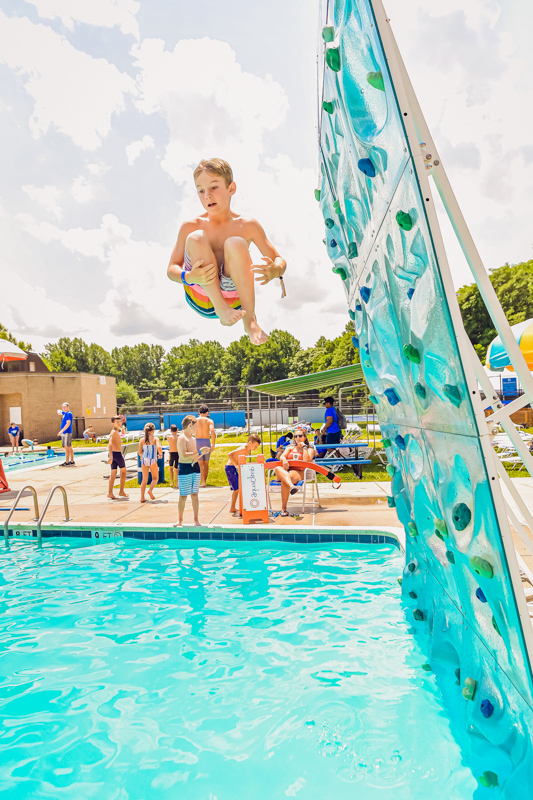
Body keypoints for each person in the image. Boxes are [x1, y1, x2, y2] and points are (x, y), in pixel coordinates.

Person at [167, 157, 287, 345]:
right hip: (201, 295)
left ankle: (250, 321)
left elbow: (279, 260)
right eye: (201, 190)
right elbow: (171, 269)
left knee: (236, 243)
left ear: (231, 189)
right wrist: (189, 277)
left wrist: (274, 270)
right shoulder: (190, 226)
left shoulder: (248, 225)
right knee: (197, 238)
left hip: (235, 300)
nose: (207, 195)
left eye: (214, 187)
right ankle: (221, 308)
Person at [174, 416, 210, 526]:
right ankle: (180, 520)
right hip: (185, 468)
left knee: (195, 494)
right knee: (183, 495)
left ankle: (196, 519)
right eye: (196, 426)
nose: (197, 429)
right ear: (190, 425)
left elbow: (195, 457)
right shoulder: (182, 438)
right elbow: (183, 456)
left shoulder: (193, 439)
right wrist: (199, 451)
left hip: (195, 467)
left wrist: (202, 453)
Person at [274, 429, 317, 516]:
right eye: (296, 436)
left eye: (300, 436)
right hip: (286, 470)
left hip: (299, 471)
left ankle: (284, 509)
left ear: (304, 437)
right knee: (278, 468)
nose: (298, 438)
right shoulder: (290, 447)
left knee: (285, 481)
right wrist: (285, 460)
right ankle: (292, 486)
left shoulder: (310, 449)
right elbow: (282, 456)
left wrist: (304, 447)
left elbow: (306, 460)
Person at [225, 434, 262, 515]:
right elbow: (229, 454)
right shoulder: (243, 448)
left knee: (239, 488)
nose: (255, 448)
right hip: (230, 468)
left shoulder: (248, 450)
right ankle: (232, 507)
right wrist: (235, 465)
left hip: (234, 468)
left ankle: (234, 507)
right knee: (236, 489)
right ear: (249, 443)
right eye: (255, 446)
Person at [138, 422, 162, 503]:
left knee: (144, 480)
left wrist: (141, 457)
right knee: (155, 478)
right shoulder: (155, 439)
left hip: (144, 460)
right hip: (152, 459)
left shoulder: (141, 440)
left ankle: (142, 497)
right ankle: (150, 490)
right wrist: (160, 454)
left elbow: (139, 452)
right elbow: (159, 447)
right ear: (152, 431)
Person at [107, 416, 129, 500]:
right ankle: (121, 491)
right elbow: (110, 444)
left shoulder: (116, 432)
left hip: (114, 454)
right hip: (116, 454)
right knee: (123, 472)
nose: (119, 423)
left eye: (120, 421)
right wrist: (111, 456)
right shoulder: (114, 432)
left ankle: (110, 493)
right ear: (113, 423)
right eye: (117, 422)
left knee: (113, 473)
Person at [196, 404, 216, 487]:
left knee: (200, 463)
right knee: (206, 463)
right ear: (207, 412)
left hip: (198, 441)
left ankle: (203, 481)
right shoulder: (209, 421)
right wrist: (213, 444)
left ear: (199, 412)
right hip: (206, 441)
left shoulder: (195, 420)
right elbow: (212, 430)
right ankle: (205, 481)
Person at [58, 402, 75, 466]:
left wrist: (61, 431)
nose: (64, 408)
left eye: (65, 407)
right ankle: (72, 460)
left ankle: (67, 461)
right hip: (65, 432)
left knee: (67, 446)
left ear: (68, 407)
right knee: (69, 446)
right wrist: (60, 411)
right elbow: (61, 412)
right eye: (63, 407)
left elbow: (68, 424)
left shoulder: (69, 414)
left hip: (66, 432)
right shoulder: (66, 413)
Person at [168, 424, 179, 489]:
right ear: (177, 430)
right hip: (177, 453)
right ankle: (177, 483)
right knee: (176, 469)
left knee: (171, 467)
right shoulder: (179, 437)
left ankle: (172, 481)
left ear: (171, 431)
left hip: (171, 453)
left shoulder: (169, 437)